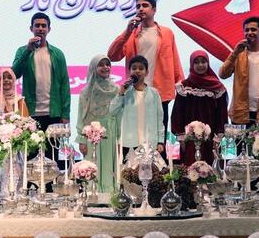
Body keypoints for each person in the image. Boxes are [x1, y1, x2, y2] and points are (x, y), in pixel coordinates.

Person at [107, 0, 184, 137]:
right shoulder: (131, 34)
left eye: (145, 5)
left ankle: (160, 153)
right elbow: (112, 55)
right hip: (135, 91)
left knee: (159, 134)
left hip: (160, 91)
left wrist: (180, 81)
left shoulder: (167, 33)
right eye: (138, 6)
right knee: (135, 134)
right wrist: (127, 31)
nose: (140, 9)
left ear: (154, 10)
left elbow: (174, 59)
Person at [12, 12, 71, 162]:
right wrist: (28, 50)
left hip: (53, 113)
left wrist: (65, 114)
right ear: (31, 28)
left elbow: (64, 85)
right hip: (30, 114)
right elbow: (15, 74)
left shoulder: (57, 54)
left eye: (43, 26)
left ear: (49, 29)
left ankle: (51, 179)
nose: (40, 28)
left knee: (52, 157)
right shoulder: (23, 51)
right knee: (31, 157)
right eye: (37, 25)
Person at [218, 16, 259, 126]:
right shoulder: (238, 55)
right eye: (246, 30)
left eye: (253, 29)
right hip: (240, 113)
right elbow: (222, 74)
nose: (249, 32)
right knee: (239, 138)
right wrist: (234, 53)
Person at [171, 50, 229, 165]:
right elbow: (178, 112)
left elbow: (222, 114)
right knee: (190, 167)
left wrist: (218, 136)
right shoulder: (184, 86)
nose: (200, 65)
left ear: (208, 63)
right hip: (189, 138)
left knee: (210, 167)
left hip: (211, 138)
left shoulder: (217, 87)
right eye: (196, 62)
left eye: (203, 61)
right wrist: (181, 136)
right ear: (191, 64)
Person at [75, 55, 120, 193]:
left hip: (110, 132)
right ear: (93, 68)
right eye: (101, 64)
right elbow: (81, 117)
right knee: (92, 164)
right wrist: (82, 139)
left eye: (107, 64)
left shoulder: (116, 90)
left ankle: (109, 193)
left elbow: (119, 115)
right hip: (91, 133)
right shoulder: (86, 92)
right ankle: (92, 193)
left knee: (108, 164)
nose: (105, 67)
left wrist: (120, 138)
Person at [109, 55, 165, 160]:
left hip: (149, 142)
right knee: (129, 170)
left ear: (147, 72)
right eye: (134, 68)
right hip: (129, 142)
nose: (137, 71)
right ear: (129, 71)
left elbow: (159, 119)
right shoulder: (125, 92)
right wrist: (121, 93)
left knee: (150, 170)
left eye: (141, 68)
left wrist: (160, 141)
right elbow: (112, 111)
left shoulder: (154, 93)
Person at [0, 67, 29, 182]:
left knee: (15, 178)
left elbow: (26, 124)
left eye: (9, 77)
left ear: (14, 80)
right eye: (3, 78)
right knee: (0, 179)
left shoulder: (19, 100)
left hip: (15, 146)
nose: (6, 80)